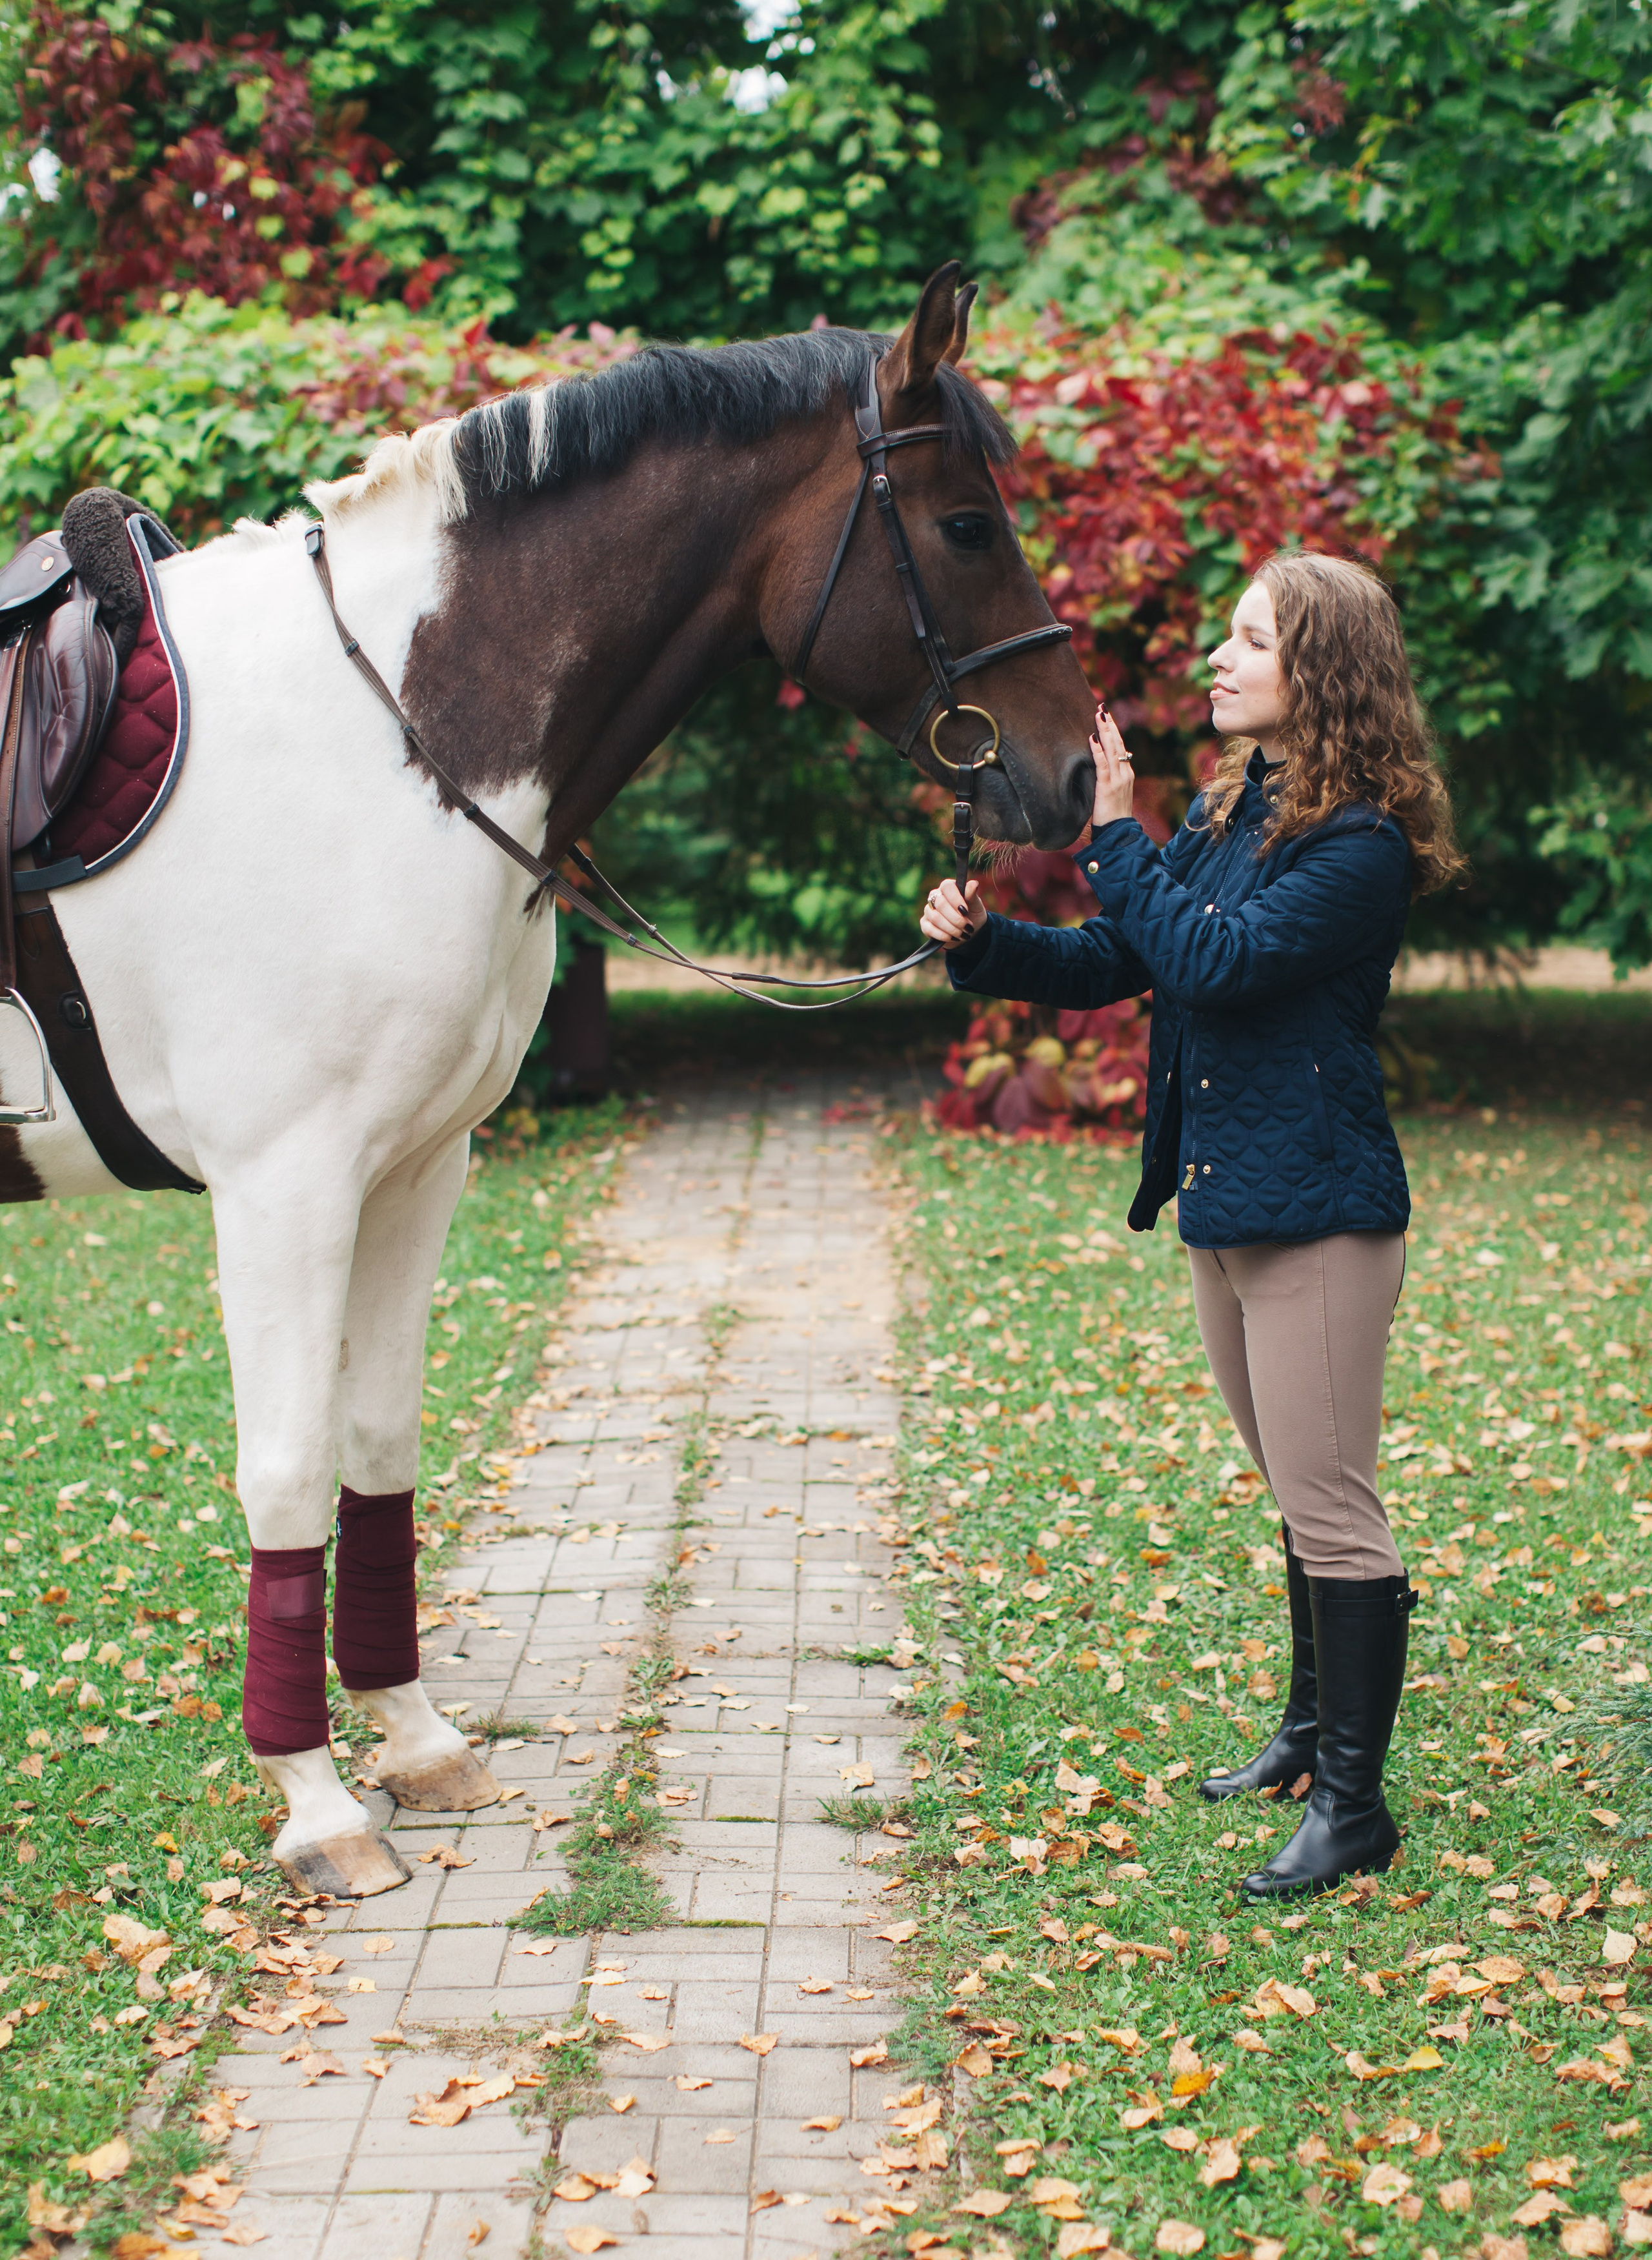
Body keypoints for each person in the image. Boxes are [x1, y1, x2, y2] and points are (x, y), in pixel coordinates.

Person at [919, 549, 1464, 1898]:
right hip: (1228, 1206)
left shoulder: (1359, 844)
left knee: (1332, 1506)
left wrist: (1114, 833)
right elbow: (1128, 955)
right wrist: (985, 946)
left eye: (1249, 640)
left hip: (1320, 1217)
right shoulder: (1237, 813)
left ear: (1321, 672)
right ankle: (1306, 1736)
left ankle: (1353, 1808)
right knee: (1297, 1492)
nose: (1217, 659)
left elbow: (1217, 962)